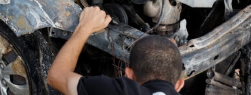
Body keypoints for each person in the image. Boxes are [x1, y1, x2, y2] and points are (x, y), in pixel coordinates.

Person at [48, 6, 185, 95]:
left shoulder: (118, 91)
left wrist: (85, 27)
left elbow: (56, 76)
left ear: (129, 75)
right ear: (179, 84)